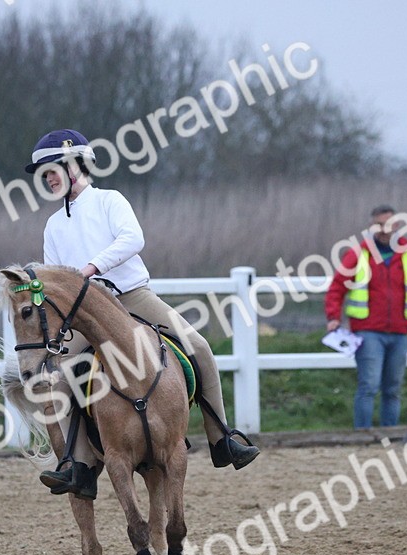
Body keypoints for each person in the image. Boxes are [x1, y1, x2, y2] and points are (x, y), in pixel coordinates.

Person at [24, 128, 259, 499]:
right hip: (86, 313)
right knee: (59, 379)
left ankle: (222, 439)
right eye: (44, 174)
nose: (48, 179)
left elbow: (133, 239)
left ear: (74, 166)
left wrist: (90, 268)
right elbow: (54, 275)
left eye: (51, 170)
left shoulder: (109, 201)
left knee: (199, 347)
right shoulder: (53, 225)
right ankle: (78, 465)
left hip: (133, 297)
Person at [325, 204, 407, 430]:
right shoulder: (359, 253)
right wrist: (333, 316)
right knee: (369, 385)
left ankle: (389, 434)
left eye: (389, 224)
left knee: (393, 389)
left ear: (397, 225)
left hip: (399, 331)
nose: (384, 229)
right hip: (367, 330)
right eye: (379, 225)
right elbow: (337, 286)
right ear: (371, 226)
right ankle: (363, 435)